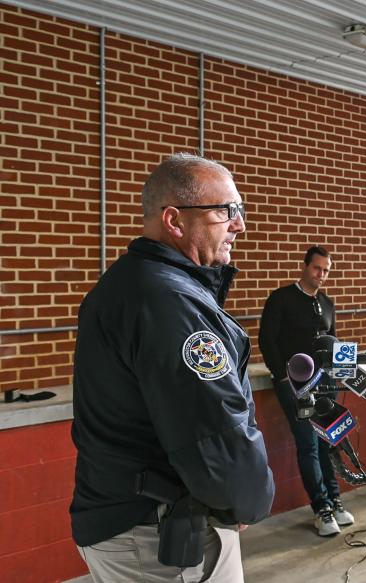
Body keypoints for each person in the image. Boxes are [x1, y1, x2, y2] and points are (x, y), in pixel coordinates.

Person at [70, 153, 275, 582]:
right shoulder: (170, 302)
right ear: (175, 221)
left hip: (137, 523)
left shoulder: (136, 285)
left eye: (239, 210)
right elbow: (213, 426)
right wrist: (242, 499)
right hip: (159, 537)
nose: (239, 224)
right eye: (225, 211)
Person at [258, 246, 355, 537]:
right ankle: (321, 509)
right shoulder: (281, 298)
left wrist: (344, 373)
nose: (321, 275)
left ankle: (335, 500)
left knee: (327, 442)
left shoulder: (327, 303)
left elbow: (334, 340)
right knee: (308, 444)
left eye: (326, 270)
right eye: (317, 268)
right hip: (294, 384)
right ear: (305, 266)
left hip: (326, 384)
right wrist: (281, 377)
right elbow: (266, 340)